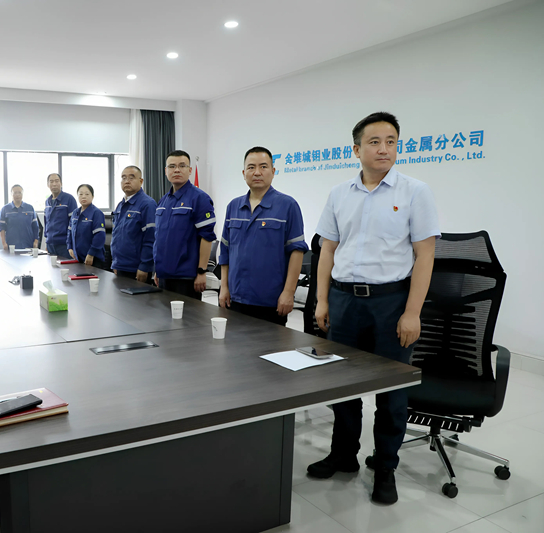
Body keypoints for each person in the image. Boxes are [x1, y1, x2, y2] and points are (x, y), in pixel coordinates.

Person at [307, 112, 439, 505]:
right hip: (344, 301)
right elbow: (327, 250)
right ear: (357, 149)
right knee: (342, 385)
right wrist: (322, 299)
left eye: (391, 141)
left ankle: (385, 466)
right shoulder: (339, 193)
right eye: (375, 141)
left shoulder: (415, 192)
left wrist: (412, 312)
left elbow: (425, 255)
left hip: (390, 303)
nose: (384, 149)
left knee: (391, 391)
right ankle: (344, 454)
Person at [218, 147, 308, 325]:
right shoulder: (233, 206)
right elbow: (225, 251)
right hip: (236, 297)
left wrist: (289, 292)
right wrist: (224, 287)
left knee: (270, 343)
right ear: (244, 173)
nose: (257, 172)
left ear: (273, 171)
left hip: (271, 300)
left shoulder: (288, 205)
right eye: (251, 167)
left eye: (263, 167)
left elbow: (297, 252)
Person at [152, 150, 216, 300]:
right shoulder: (163, 201)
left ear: (190, 170)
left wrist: (202, 271)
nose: (177, 170)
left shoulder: (199, 198)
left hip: (187, 277)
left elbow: (207, 237)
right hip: (164, 274)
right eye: (172, 166)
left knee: (187, 316)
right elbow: (159, 238)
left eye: (182, 166)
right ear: (166, 171)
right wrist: (157, 270)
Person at [110, 165, 156, 282]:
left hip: (137, 268)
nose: (127, 181)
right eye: (123, 178)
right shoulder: (120, 205)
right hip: (120, 265)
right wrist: (115, 263)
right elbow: (116, 235)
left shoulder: (148, 204)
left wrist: (144, 266)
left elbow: (151, 238)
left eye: (131, 177)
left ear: (141, 181)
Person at [66, 184, 106, 268]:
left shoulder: (97, 213)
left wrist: (91, 254)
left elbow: (100, 236)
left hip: (93, 258)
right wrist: (69, 247)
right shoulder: (75, 213)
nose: (83, 196)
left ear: (92, 196)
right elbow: (69, 231)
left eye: (87, 194)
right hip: (78, 257)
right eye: (80, 194)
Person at [44, 173, 77, 257]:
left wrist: (71, 245)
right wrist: (47, 241)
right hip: (50, 244)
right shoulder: (47, 201)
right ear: (48, 185)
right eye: (51, 181)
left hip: (64, 245)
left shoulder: (69, 199)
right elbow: (46, 222)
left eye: (56, 181)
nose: (54, 184)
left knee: (66, 266)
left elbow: (74, 224)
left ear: (61, 183)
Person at [0, 184, 39, 250]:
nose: (17, 195)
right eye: (15, 193)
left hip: (28, 244)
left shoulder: (30, 208)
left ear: (22, 194)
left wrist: (36, 241)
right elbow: (1, 227)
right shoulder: (5, 209)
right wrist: (4, 243)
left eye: (19, 193)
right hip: (11, 246)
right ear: (11, 194)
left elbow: (35, 227)